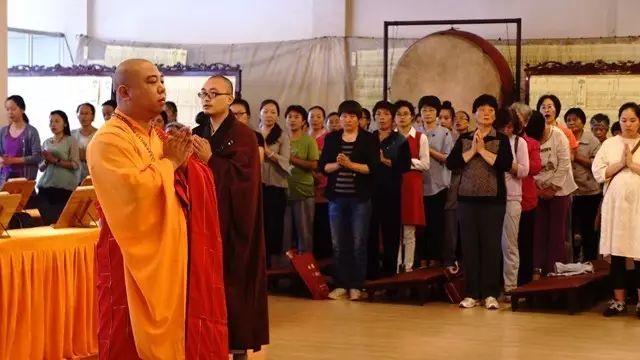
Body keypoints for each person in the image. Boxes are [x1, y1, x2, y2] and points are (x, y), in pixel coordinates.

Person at [88, 59, 228, 359]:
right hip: (130, 257)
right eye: (152, 81)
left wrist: (194, 163)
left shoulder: (154, 135)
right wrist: (172, 163)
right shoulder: (109, 138)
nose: (162, 87)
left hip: (169, 253)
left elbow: (183, 179)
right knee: (128, 338)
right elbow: (132, 194)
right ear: (124, 92)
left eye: (162, 80)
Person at [192, 75, 269, 358]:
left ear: (230, 98)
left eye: (214, 93)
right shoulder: (197, 132)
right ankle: (204, 342)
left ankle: (237, 345)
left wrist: (212, 160)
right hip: (203, 221)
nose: (207, 98)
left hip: (234, 225)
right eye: (203, 93)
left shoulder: (245, 136)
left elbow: (244, 181)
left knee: (233, 281)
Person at [446, 95, 513, 310]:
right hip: (466, 200)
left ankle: (491, 293)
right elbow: (452, 163)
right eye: (482, 109)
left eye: (491, 110)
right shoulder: (464, 138)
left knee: (491, 246)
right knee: (469, 247)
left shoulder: (501, 139)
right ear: (474, 114)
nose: (486, 113)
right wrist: (473, 151)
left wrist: (482, 151)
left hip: (493, 201)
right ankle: (471, 293)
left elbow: (505, 164)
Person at [319, 100, 378, 301]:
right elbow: (323, 167)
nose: (347, 120)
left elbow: (372, 168)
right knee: (338, 243)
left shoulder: (368, 139)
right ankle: (341, 284)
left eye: (352, 116)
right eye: (344, 116)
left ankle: (357, 285)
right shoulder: (332, 138)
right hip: (336, 198)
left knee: (358, 242)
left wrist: (350, 164)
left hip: (359, 199)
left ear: (359, 119)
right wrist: (339, 164)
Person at [592, 102, 640, 317]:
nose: (627, 124)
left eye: (632, 120)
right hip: (616, 208)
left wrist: (632, 165)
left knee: (639, 253)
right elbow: (600, 173)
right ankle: (619, 301)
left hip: (638, 208)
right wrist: (621, 163)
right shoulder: (610, 144)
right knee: (618, 254)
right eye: (623, 119)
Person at [533, 101, 577, 277]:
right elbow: (530, 164)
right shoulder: (530, 137)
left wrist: (552, 188)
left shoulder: (558, 135)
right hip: (539, 190)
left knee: (557, 234)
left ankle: (555, 271)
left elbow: (565, 163)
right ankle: (538, 270)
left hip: (560, 190)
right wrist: (538, 188)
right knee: (539, 231)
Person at [368, 100, 411, 278]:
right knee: (369, 232)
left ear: (393, 119)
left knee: (390, 234)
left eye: (386, 114)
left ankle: (389, 277)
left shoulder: (400, 141)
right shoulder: (368, 138)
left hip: (391, 192)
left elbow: (405, 166)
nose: (381, 118)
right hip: (369, 191)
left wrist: (384, 160)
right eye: (378, 114)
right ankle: (370, 274)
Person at [494, 108, 529, 296]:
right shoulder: (490, 140)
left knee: (509, 244)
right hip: (490, 197)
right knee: (491, 244)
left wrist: (506, 164)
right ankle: (491, 286)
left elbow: (524, 170)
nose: (507, 130)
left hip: (512, 198)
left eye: (510, 126)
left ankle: (510, 287)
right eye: (503, 127)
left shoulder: (519, 143)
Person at [417, 95, 451, 268]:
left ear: (437, 113)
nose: (427, 113)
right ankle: (421, 263)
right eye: (424, 110)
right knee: (420, 228)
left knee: (436, 226)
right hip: (417, 186)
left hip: (438, 186)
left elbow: (448, 158)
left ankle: (435, 265)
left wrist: (427, 150)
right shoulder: (415, 132)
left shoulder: (445, 132)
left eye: (431, 110)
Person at [565, 107, 602, 261]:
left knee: (588, 230)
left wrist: (576, 157)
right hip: (570, 192)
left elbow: (597, 165)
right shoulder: (563, 138)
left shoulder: (592, 140)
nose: (572, 123)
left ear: (582, 121)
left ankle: (590, 261)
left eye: (575, 119)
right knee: (570, 229)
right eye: (568, 120)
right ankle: (571, 261)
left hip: (589, 192)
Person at [283, 105, 319, 258]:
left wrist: (291, 158)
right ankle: (284, 275)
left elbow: (313, 164)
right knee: (284, 236)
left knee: (304, 235)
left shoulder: (308, 141)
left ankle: (306, 274)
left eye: (296, 117)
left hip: (303, 192)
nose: (292, 120)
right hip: (283, 193)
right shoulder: (281, 139)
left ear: (304, 121)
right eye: (289, 116)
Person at [258, 99, 291, 268]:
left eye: (273, 112)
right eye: (265, 111)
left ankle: (273, 270)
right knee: (259, 227)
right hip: (257, 187)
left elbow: (286, 162)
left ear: (277, 116)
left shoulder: (282, 136)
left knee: (274, 227)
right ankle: (259, 267)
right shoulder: (254, 134)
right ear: (259, 114)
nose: (269, 115)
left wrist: (268, 152)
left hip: (277, 188)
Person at [38, 110, 79, 225]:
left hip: (64, 188)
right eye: (51, 122)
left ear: (65, 124)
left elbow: (75, 164)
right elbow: (41, 168)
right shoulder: (46, 142)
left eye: (57, 121)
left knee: (60, 222)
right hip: (45, 187)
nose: (53, 124)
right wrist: (47, 161)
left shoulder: (71, 140)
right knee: (47, 222)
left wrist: (55, 160)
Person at [518, 111, 544, 286]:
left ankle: (524, 281)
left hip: (525, 197)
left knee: (525, 241)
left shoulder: (531, 143)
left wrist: (516, 165)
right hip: (501, 198)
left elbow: (535, 167)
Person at [0, 95, 42, 186]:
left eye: (13, 109)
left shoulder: (31, 132)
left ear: (22, 110)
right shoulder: (3, 131)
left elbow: (37, 157)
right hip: (4, 180)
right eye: (7, 109)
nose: (10, 112)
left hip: (24, 180)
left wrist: (13, 160)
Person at [308, 105, 332, 259]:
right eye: (312, 116)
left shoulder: (329, 138)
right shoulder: (303, 137)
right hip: (306, 187)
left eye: (318, 116)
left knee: (324, 225)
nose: (315, 119)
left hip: (325, 186)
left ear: (323, 119)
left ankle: (325, 260)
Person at [231, 98, 265, 163]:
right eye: (232, 114)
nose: (235, 117)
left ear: (248, 116)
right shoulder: (223, 135)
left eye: (240, 113)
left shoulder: (256, 136)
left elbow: (258, 162)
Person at [71, 103, 98, 184]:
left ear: (93, 116)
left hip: (93, 178)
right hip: (73, 178)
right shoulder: (71, 134)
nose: (84, 117)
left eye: (86, 113)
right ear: (77, 115)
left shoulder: (99, 134)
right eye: (81, 113)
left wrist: (82, 155)